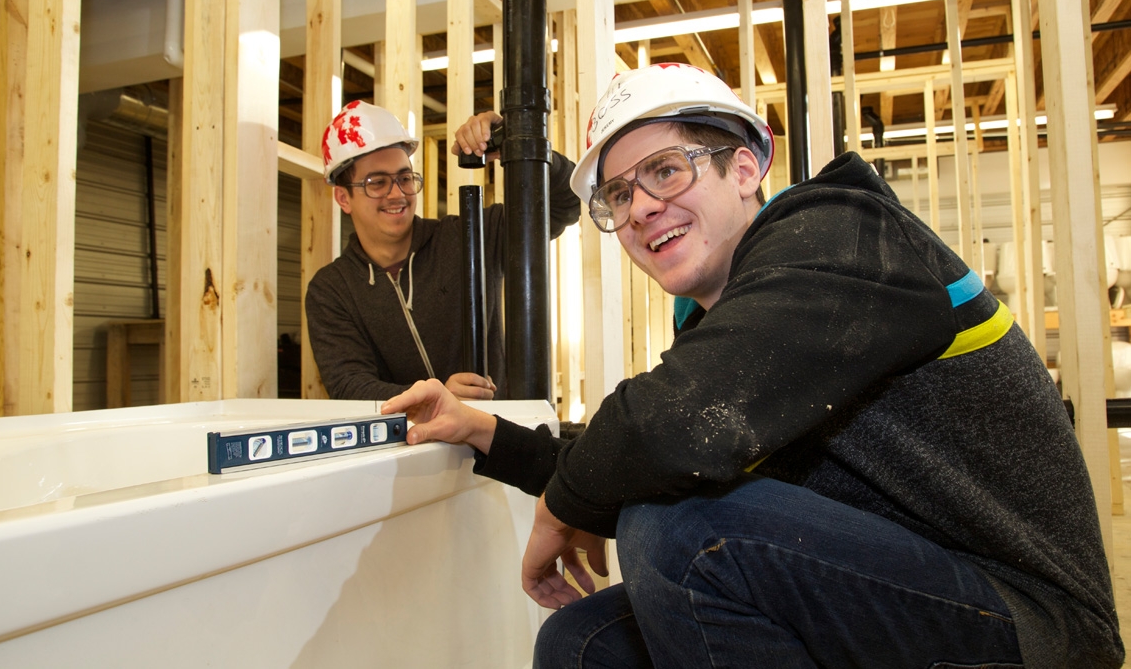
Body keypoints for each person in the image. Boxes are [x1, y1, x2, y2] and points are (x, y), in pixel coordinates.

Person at [382, 63, 1124, 668]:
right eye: (618, 193)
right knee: (581, 645)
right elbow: (655, 442)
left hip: (1032, 626)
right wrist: (484, 431)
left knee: (677, 530)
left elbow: (669, 432)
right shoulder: (722, 318)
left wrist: (562, 505)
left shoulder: (840, 232)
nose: (640, 207)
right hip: (907, 588)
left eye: (666, 171)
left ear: (745, 166)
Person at [305, 102, 581, 401]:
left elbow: (569, 200)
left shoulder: (472, 237)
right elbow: (350, 386)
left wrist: (518, 142)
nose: (397, 193)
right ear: (343, 198)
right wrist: (435, 398)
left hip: (495, 437)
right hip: (408, 445)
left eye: (404, 178)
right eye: (378, 182)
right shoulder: (332, 289)